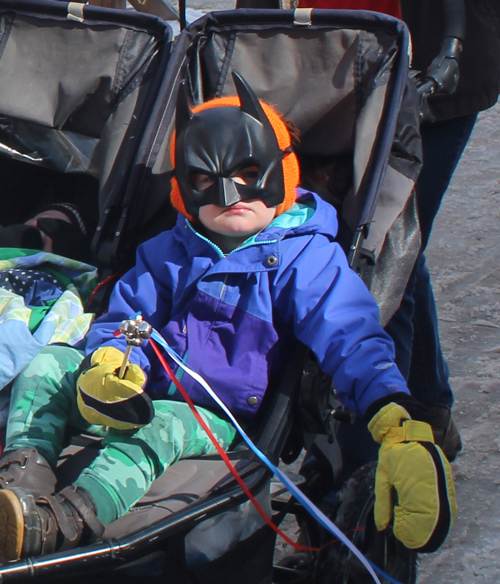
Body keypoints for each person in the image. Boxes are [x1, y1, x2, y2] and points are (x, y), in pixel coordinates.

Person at [0, 74, 455, 561]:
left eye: (249, 173)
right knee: (49, 364)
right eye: (205, 180)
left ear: (282, 171)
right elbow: (127, 313)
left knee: (161, 429)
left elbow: (352, 336)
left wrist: (393, 416)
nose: (230, 193)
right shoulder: (169, 250)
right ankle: (23, 477)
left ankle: (67, 520)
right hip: (141, 387)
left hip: (218, 413)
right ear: (183, 190)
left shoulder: (306, 260)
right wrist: (111, 357)